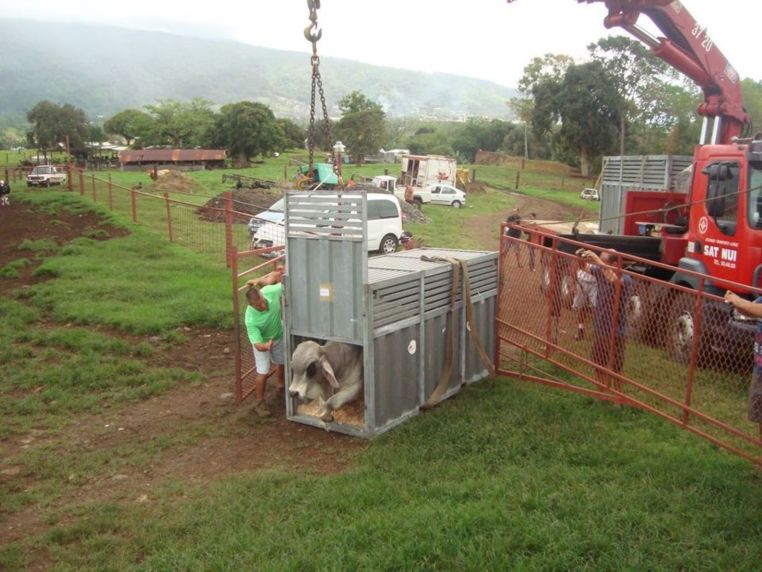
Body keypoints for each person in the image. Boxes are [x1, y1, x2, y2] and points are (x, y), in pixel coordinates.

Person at [581, 248, 632, 394]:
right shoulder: (601, 271)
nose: (599, 265)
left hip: (617, 331)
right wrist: (581, 258)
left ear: (615, 264)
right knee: (598, 364)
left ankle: (617, 397)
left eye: (603, 262)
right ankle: (601, 393)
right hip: (601, 327)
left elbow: (614, 281)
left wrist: (596, 260)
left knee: (616, 368)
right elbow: (586, 268)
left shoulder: (626, 279)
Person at [244, 266, 286, 418]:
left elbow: (281, 279)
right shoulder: (251, 320)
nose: (263, 306)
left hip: (278, 335)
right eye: (258, 306)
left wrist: (261, 280)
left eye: (262, 302)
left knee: (282, 362)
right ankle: (259, 403)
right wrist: (265, 346)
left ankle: (281, 385)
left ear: (262, 294)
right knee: (263, 371)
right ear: (251, 305)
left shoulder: (271, 292)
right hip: (263, 343)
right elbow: (257, 345)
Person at [724, 290, 762, 436]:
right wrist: (736, 303)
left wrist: (737, 300)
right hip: (759, 368)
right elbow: (750, 311)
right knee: (759, 416)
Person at [572, 254, 597, 340]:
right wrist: (573, 282)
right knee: (581, 306)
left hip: (595, 281)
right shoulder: (584, 248)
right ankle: (580, 329)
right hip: (581, 279)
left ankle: (597, 331)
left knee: (596, 307)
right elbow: (575, 263)